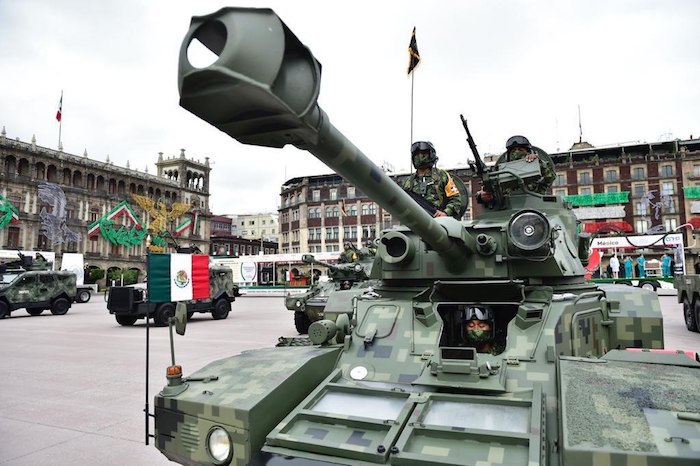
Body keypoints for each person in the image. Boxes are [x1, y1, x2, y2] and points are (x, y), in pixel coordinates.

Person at [477, 135, 556, 205]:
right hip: (509, 210)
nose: (517, 152)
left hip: (536, 207)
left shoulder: (538, 168)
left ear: (528, 152)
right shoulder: (501, 173)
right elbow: (491, 193)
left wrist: (538, 162)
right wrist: (482, 196)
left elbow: (550, 177)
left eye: (521, 150)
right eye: (513, 151)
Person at [403, 141, 463, 218]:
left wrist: (445, 213)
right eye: (417, 154)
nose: (420, 156)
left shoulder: (441, 175)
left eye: (423, 153)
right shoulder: (408, 182)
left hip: (438, 221)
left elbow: (455, 199)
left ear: (431, 155)